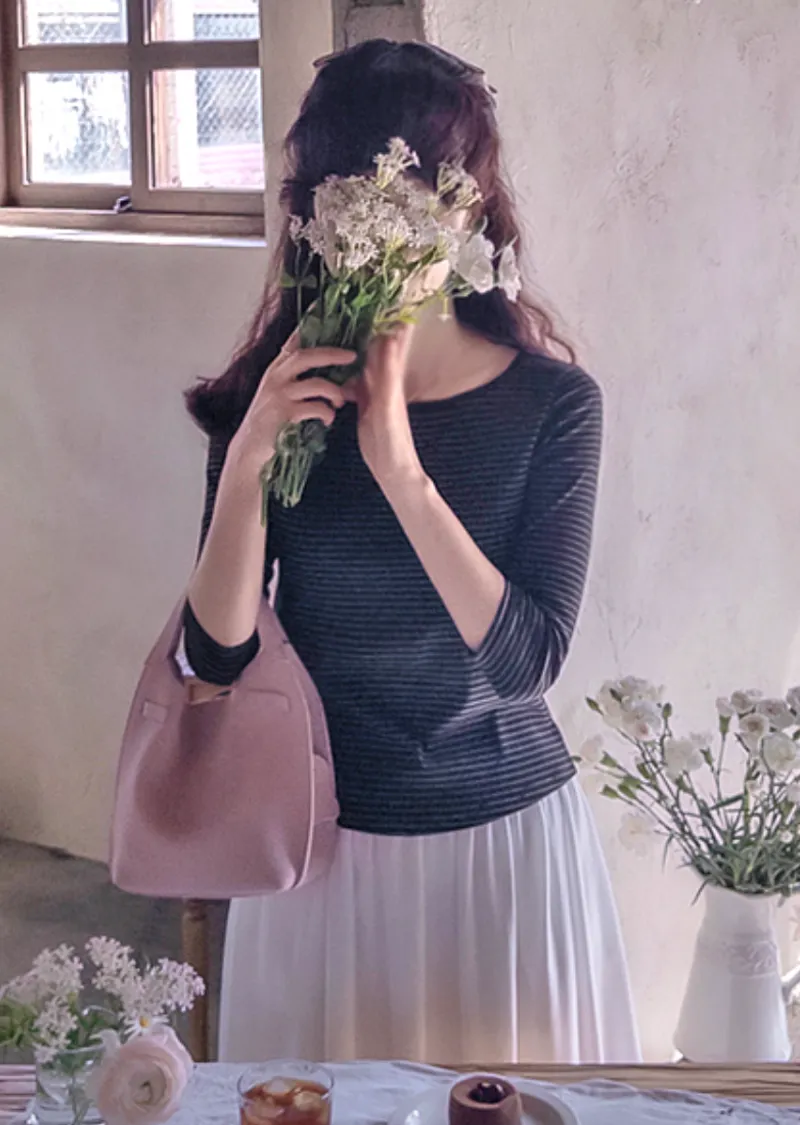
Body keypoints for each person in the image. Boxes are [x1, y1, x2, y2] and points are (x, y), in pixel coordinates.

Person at [181, 38, 640, 1065]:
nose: (378, 225)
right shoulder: (272, 399)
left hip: (503, 849)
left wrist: (398, 463)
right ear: (313, 216)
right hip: (318, 845)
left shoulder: (554, 406)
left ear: (470, 209)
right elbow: (216, 657)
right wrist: (250, 459)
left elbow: (525, 661)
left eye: (414, 193)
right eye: (348, 194)